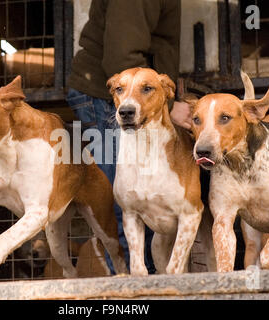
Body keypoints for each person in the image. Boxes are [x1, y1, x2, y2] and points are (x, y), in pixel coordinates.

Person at [66, 0, 190, 274]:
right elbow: (122, 58)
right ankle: (133, 286)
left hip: (131, 95)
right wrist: (168, 105)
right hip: (109, 97)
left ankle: (148, 282)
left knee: (138, 193)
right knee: (125, 199)